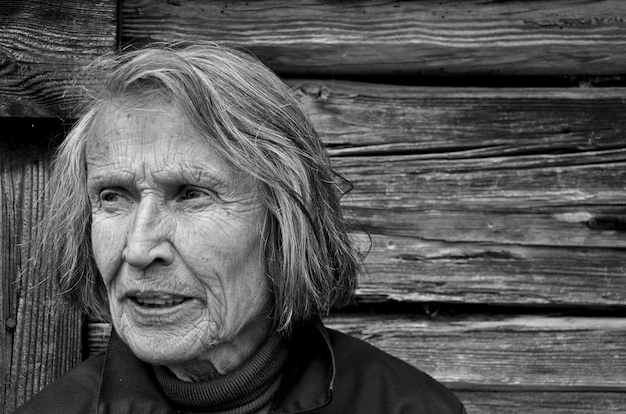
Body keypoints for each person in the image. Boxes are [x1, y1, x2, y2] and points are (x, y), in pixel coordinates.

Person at [15, 43, 465, 414]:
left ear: (285, 223)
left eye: (191, 194)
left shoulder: (408, 407)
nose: (138, 249)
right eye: (113, 196)